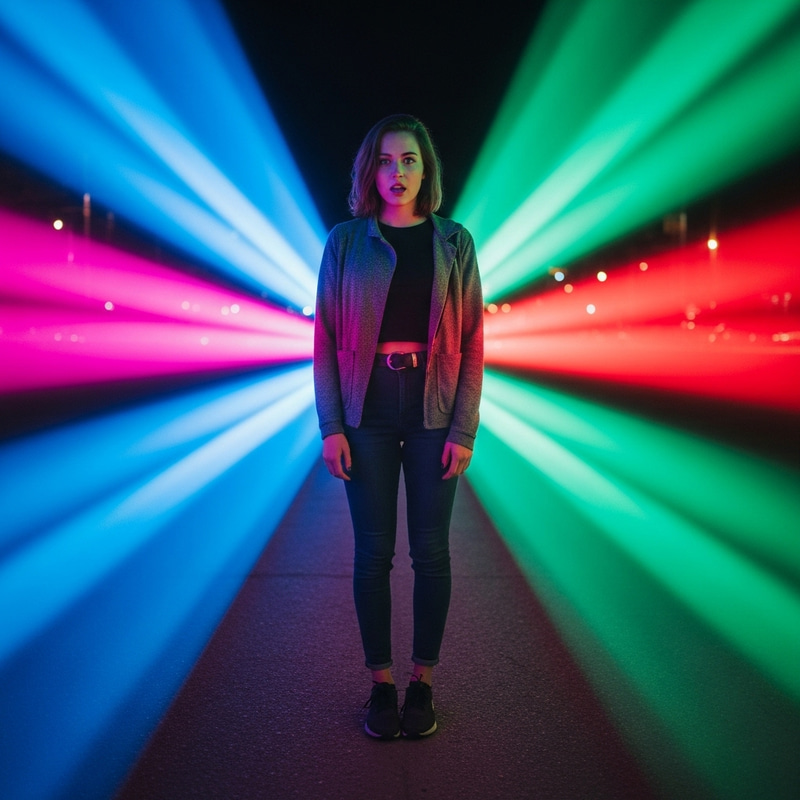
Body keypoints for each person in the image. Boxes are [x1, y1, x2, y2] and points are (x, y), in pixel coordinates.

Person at [313, 113, 483, 740]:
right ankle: (381, 686)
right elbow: (326, 337)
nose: (398, 172)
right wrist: (333, 425)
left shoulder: (455, 242)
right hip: (367, 409)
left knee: (431, 552)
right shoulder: (346, 242)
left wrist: (463, 430)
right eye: (386, 160)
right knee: (374, 552)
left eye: (409, 160)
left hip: (436, 408)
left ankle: (422, 684)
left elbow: (473, 340)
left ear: (425, 168)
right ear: (371, 170)